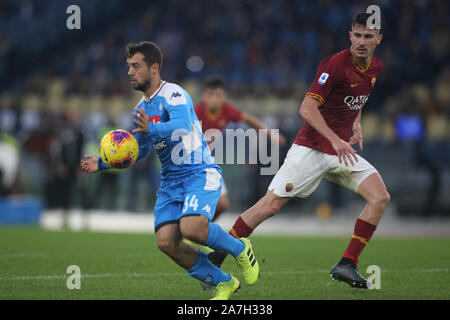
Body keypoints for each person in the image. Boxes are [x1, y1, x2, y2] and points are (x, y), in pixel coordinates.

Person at [209, 13, 390, 289]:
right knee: (270, 206)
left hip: (340, 151)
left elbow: (357, 98)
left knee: (380, 197)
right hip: (312, 148)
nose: (361, 42)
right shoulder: (335, 64)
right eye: (357, 35)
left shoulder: (375, 67)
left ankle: (347, 263)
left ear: (378, 39)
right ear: (350, 36)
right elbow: (306, 108)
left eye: (368, 36)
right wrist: (335, 138)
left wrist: (357, 123)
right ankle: (220, 252)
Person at [80, 41, 259, 300]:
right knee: (166, 242)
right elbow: (139, 150)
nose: (130, 72)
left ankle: (240, 248)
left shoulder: (173, 93)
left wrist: (151, 129)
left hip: (198, 172)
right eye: (128, 67)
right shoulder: (140, 110)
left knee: (192, 228)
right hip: (171, 182)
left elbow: (183, 125)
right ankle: (224, 282)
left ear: (153, 68)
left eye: (135, 66)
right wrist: (104, 163)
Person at [195, 75, 287, 221]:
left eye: (218, 95)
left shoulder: (226, 110)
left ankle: (200, 230)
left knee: (223, 205)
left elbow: (249, 119)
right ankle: (192, 229)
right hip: (188, 164)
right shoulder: (195, 112)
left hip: (206, 163)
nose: (214, 99)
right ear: (204, 96)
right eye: (210, 95)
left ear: (224, 96)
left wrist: (270, 135)